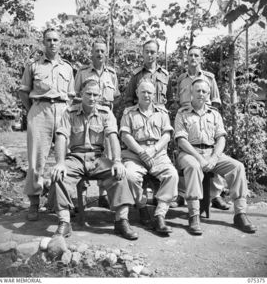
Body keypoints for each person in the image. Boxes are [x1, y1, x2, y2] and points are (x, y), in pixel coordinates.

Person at [49, 79, 138, 240]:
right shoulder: (69, 113)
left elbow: (112, 137)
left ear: (100, 96)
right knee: (59, 176)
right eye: (88, 94)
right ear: (81, 94)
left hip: (97, 158)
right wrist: (60, 163)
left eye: (95, 95)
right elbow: (61, 137)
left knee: (119, 174)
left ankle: (121, 222)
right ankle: (64, 223)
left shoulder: (106, 114)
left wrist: (117, 161)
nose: (92, 98)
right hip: (75, 158)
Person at [174, 78, 257, 235]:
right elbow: (181, 140)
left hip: (212, 153)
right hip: (189, 153)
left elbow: (221, 138)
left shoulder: (215, 114)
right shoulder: (182, 113)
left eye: (205, 91)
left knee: (237, 167)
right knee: (193, 166)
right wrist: (200, 159)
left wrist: (213, 158)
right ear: (191, 92)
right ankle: (194, 215)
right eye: (198, 91)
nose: (201, 94)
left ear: (209, 94)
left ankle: (240, 214)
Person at [19, 27, 75, 221]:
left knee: (65, 158)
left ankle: (59, 202)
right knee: (36, 160)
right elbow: (23, 92)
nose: (52, 43)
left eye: (56, 40)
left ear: (60, 43)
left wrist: (64, 112)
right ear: (44, 42)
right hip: (39, 110)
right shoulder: (33, 66)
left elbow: (71, 96)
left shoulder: (67, 68)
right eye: (49, 40)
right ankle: (34, 203)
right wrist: (33, 111)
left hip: (62, 112)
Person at [172, 46, 229, 210]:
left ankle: (215, 195)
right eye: (190, 55)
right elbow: (177, 102)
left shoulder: (209, 78)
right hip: (187, 120)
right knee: (186, 158)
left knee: (212, 152)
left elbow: (216, 102)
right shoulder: (181, 79)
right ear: (187, 58)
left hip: (207, 120)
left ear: (201, 58)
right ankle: (183, 194)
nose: (193, 58)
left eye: (196, 55)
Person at [120, 79, 179, 234]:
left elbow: (167, 135)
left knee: (172, 175)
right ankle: (142, 206)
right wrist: (141, 152)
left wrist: (153, 150)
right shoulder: (129, 112)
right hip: (134, 154)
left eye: (150, 92)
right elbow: (125, 135)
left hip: (157, 154)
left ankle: (160, 215)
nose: (146, 95)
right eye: (143, 92)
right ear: (137, 93)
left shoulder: (162, 113)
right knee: (130, 175)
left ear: (154, 95)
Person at [74, 38, 121, 208]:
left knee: (106, 154)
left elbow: (115, 97)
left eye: (102, 51)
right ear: (91, 53)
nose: (99, 53)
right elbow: (75, 95)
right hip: (87, 117)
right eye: (97, 51)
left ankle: (103, 195)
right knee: (85, 152)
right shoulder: (83, 72)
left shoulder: (112, 73)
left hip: (105, 116)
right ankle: (83, 196)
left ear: (106, 53)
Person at [124, 39, 170, 107]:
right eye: (147, 52)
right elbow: (129, 100)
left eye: (152, 52)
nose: (149, 55)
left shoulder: (165, 75)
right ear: (143, 53)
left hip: (160, 115)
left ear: (157, 54)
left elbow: (169, 99)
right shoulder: (136, 75)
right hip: (140, 115)